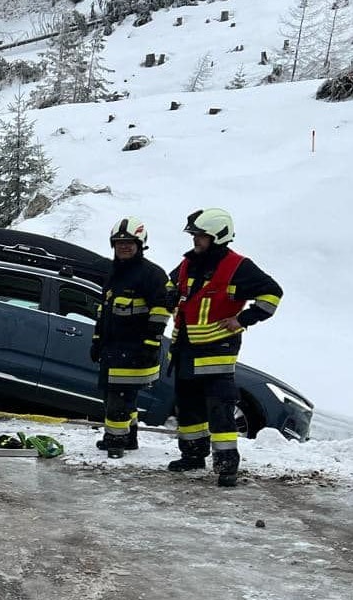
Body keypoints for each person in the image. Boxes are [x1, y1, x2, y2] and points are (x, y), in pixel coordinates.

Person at [168, 208, 283, 487]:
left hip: (216, 354)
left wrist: (243, 319)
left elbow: (272, 294)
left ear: (218, 236)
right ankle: (192, 455)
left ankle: (226, 466)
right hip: (185, 350)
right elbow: (170, 286)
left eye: (200, 235)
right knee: (189, 408)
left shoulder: (238, 267)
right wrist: (170, 297)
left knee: (220, 411)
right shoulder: (188, 263)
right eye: (194, 235)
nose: (195, 240)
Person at [91, 217, 174, 460]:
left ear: (140, 245)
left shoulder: (152, 274)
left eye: (129, 243)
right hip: (112, 347)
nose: (124, 247)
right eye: (119, 243)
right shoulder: (114, 272)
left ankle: (115, 441)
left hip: (135, 348)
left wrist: (150, 343)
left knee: (118, 396)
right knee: (119, 395)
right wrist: (97, 339)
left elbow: (162, 310)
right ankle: (130, 437)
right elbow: (104, 310)